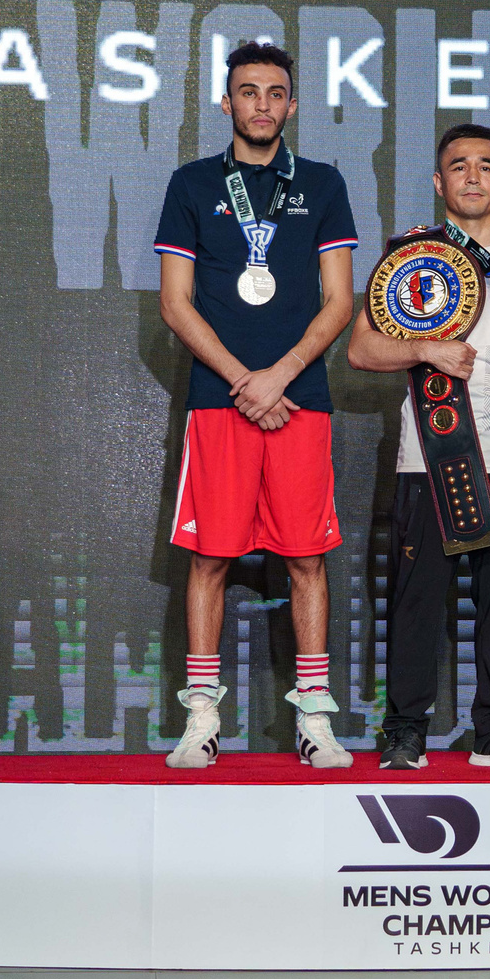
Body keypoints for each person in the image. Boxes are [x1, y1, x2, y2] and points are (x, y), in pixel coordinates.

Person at [347, 124, 490, 770]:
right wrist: (426, 348)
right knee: (419, 599)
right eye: (458, 165)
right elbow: (362, 348)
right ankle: (405, 730)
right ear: (439, 181)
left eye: (485, 166)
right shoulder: (412, 256)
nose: (472, 176)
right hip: (431, 449)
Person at [154, 41, 359, 768]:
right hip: (221, 401)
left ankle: (314, 720)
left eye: (276, 92)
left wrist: (283, 375)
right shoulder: (191, 183)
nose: (263, 104)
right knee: (210, 557)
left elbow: (340, 300)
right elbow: (175, 305)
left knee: (307, 558)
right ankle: (202, 719)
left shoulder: (325, 184)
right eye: (249, 92)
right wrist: (249, 379)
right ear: (227, 103)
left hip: (300, 401)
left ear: (292, 104)